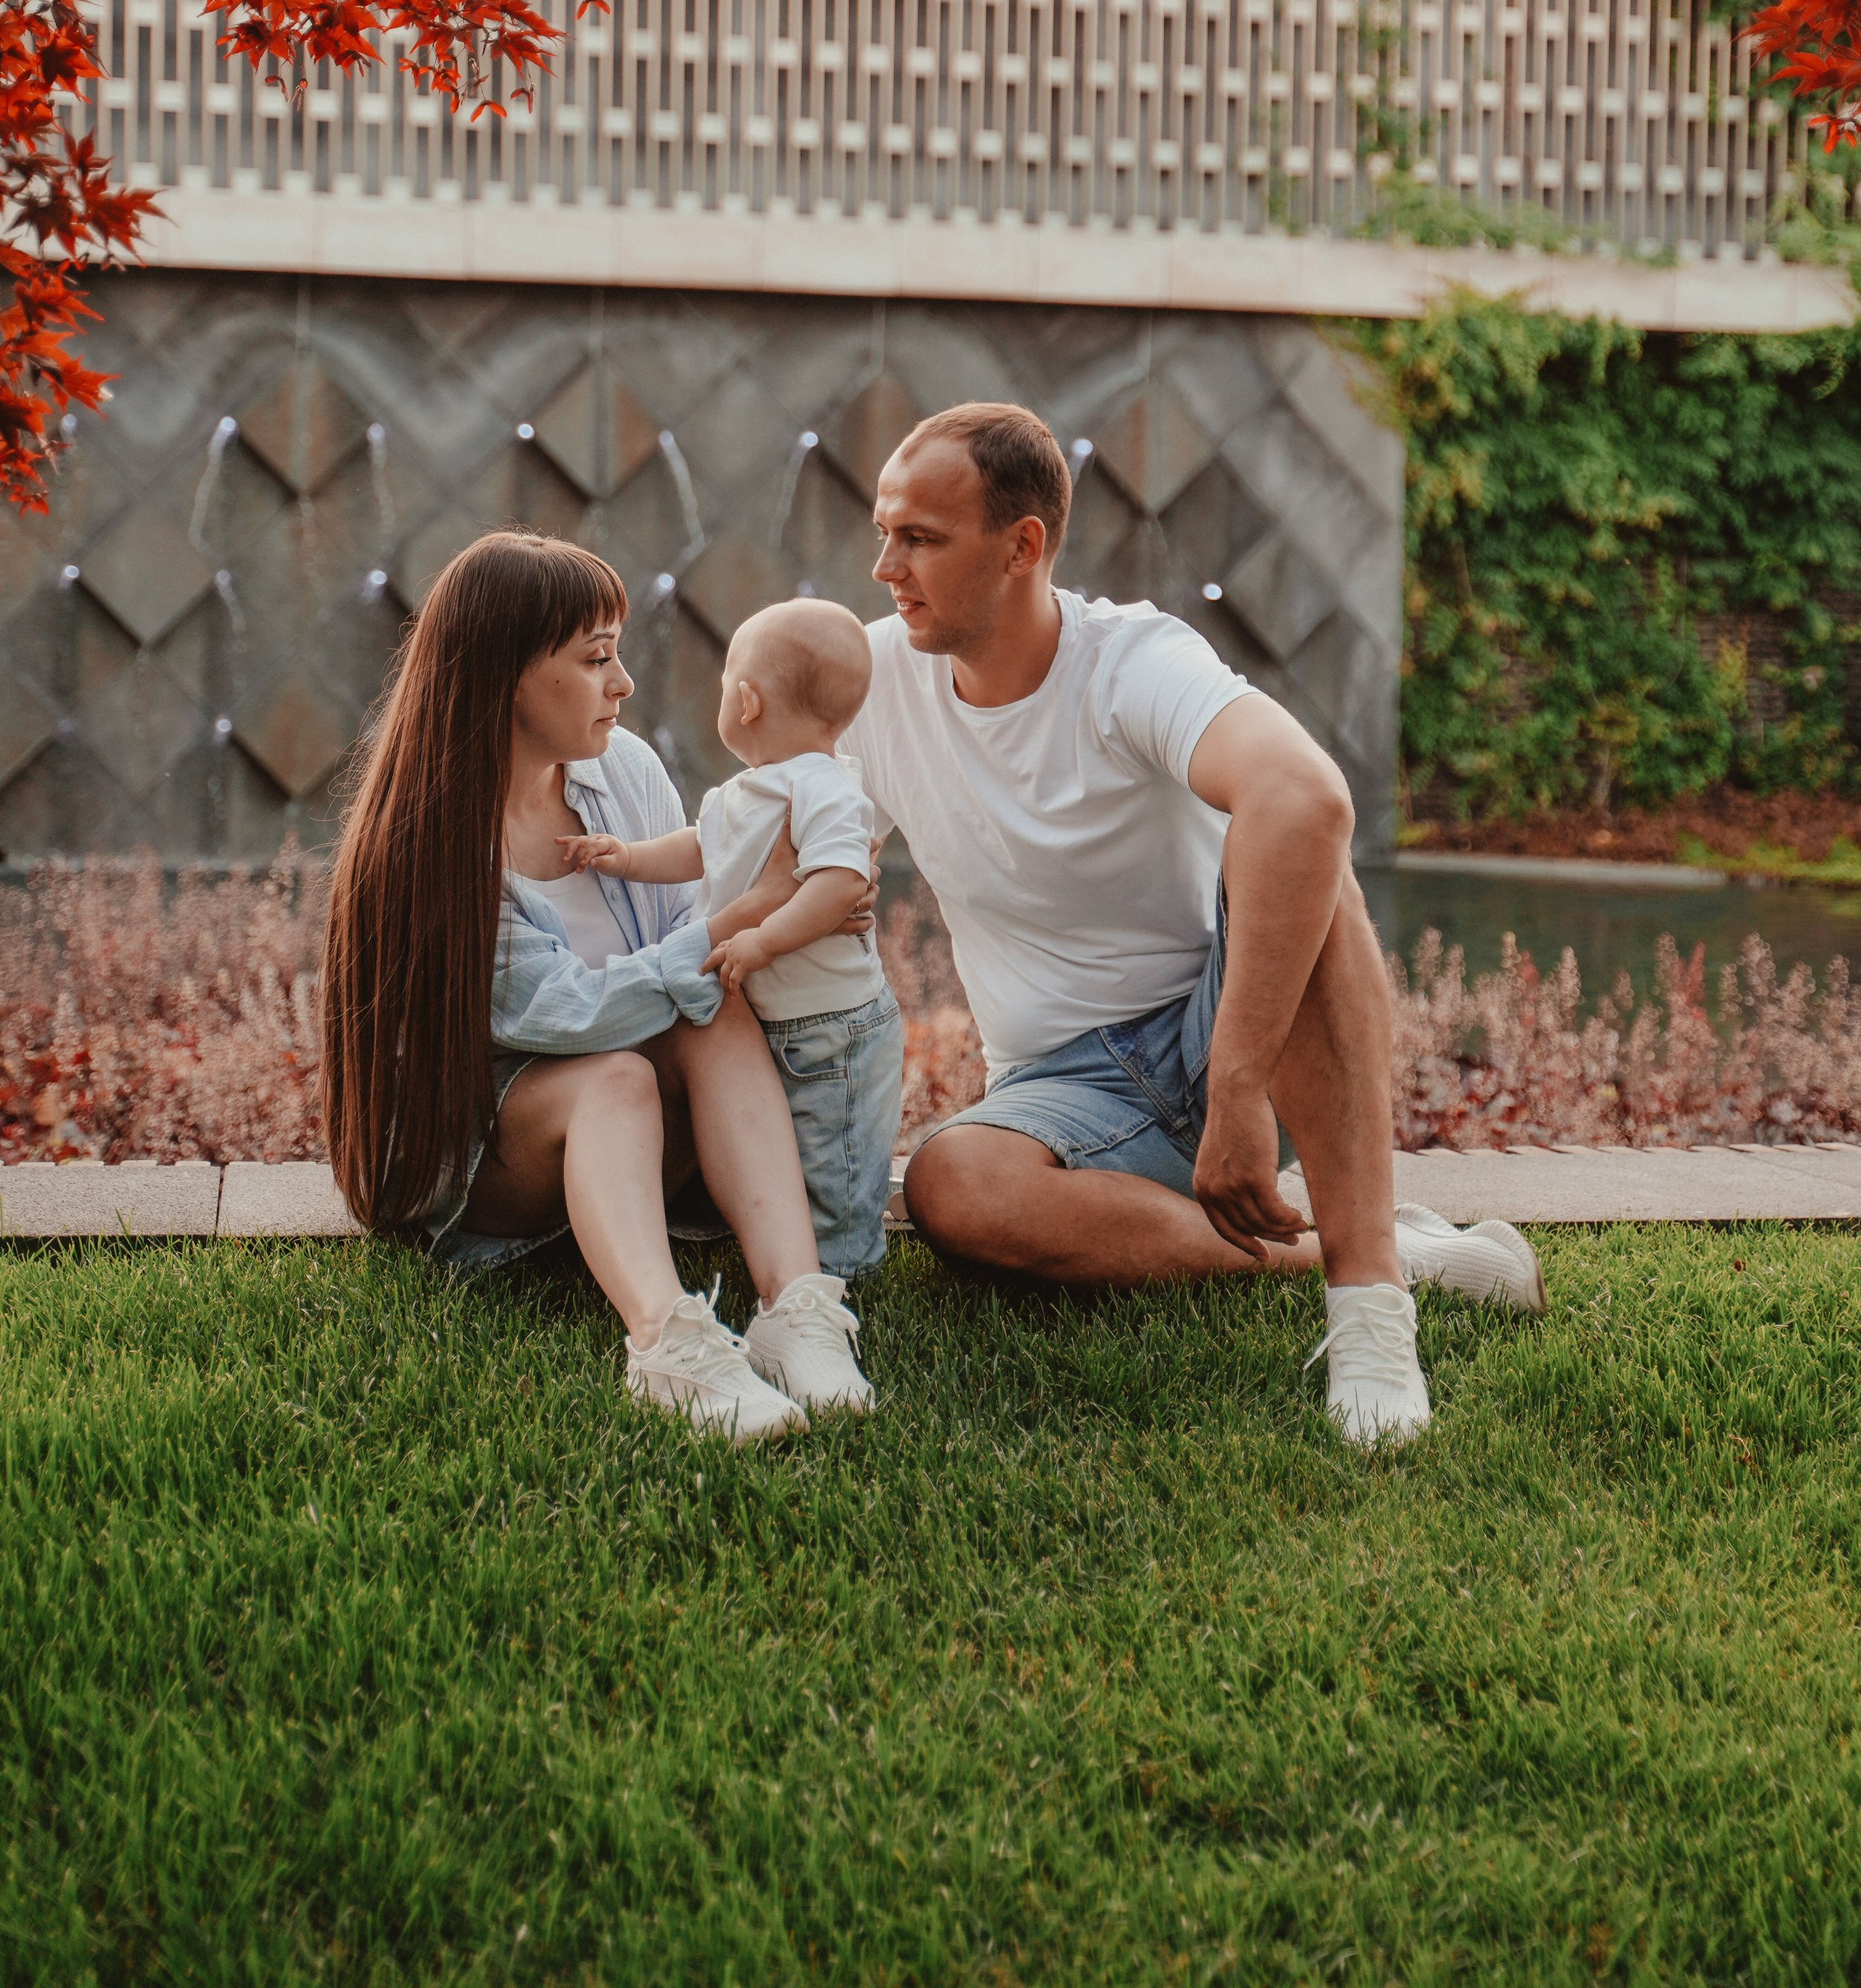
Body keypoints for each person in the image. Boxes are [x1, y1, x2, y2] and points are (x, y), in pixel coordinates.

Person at [841, 403, 1546, 1447]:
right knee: (952, 1185)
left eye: (921, 540)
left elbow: (1306, 798)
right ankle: (1383, 1248)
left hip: (1232, 1028)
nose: (886, 567)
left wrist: (1239, 1082)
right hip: (1063, 1095)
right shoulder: (872, 680)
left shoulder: (1128, 661)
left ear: (1022, 547)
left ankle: (1371, 1306)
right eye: (883, 534)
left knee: (1306, 859)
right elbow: (795, 866)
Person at [319, 529, 873, 1443]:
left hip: (635, 1127)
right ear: (502, 675)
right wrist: (744, 915)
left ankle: (794, 1310)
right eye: (596, 659)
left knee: (713, 999)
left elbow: (685, 954)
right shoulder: (427, 841)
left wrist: (808, 901)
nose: (622, 684)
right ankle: (669, 1348)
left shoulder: (625, 772)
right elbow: (566, 1015)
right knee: (626, 1060)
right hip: (488, 1158)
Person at [560, 596, 904, 1283]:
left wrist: (766, 940)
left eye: (723, 687)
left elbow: (841, 881)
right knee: (792, 1150)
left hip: (833, 1024)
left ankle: (842, 1274)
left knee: (832, 1154)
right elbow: (697, 850)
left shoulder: (824, 789)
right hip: (778, 1018)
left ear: (746, 702)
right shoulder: (745, 793)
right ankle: (795, 1257)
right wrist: (626, 855)